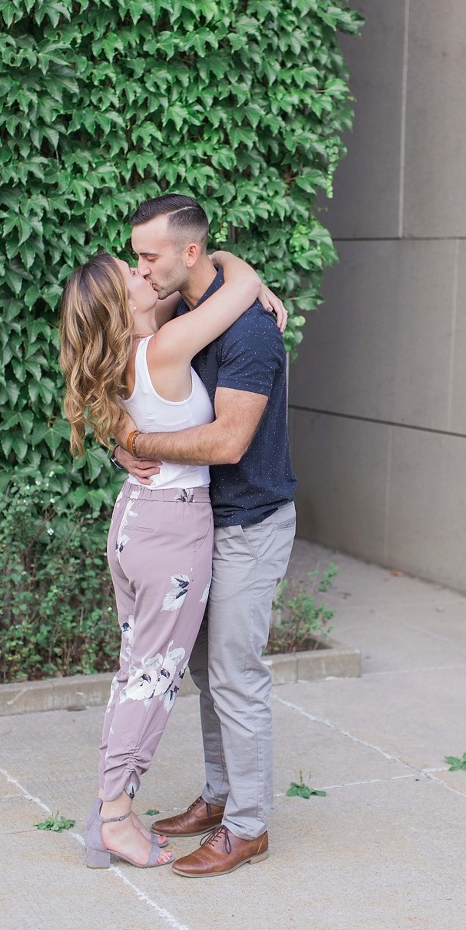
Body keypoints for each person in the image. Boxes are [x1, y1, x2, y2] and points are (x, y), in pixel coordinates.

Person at [59, 246, 279, 869]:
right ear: (120, 304)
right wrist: (232, 260)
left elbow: (190, 298)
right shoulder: (164, 349)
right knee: (153, 680)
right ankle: (114, 819)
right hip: (172, 527)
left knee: (136, 671)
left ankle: (109, 804)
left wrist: (128, 441)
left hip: (136, 520)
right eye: (131, 273)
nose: (143, 273)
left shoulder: (129, 356)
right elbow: (237, 289)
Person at [113, 193, 298, 878]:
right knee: (202, 670)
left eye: (149, 256)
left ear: (188, 253)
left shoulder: (250, 332)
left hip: (250, 521)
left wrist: (139, 440)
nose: (142, 268)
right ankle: (221, 797)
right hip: (196, 525)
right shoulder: (184, 308)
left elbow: (227, 439)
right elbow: (131, 384)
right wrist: (123, 439)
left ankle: (249, 827)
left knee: (235, 674)